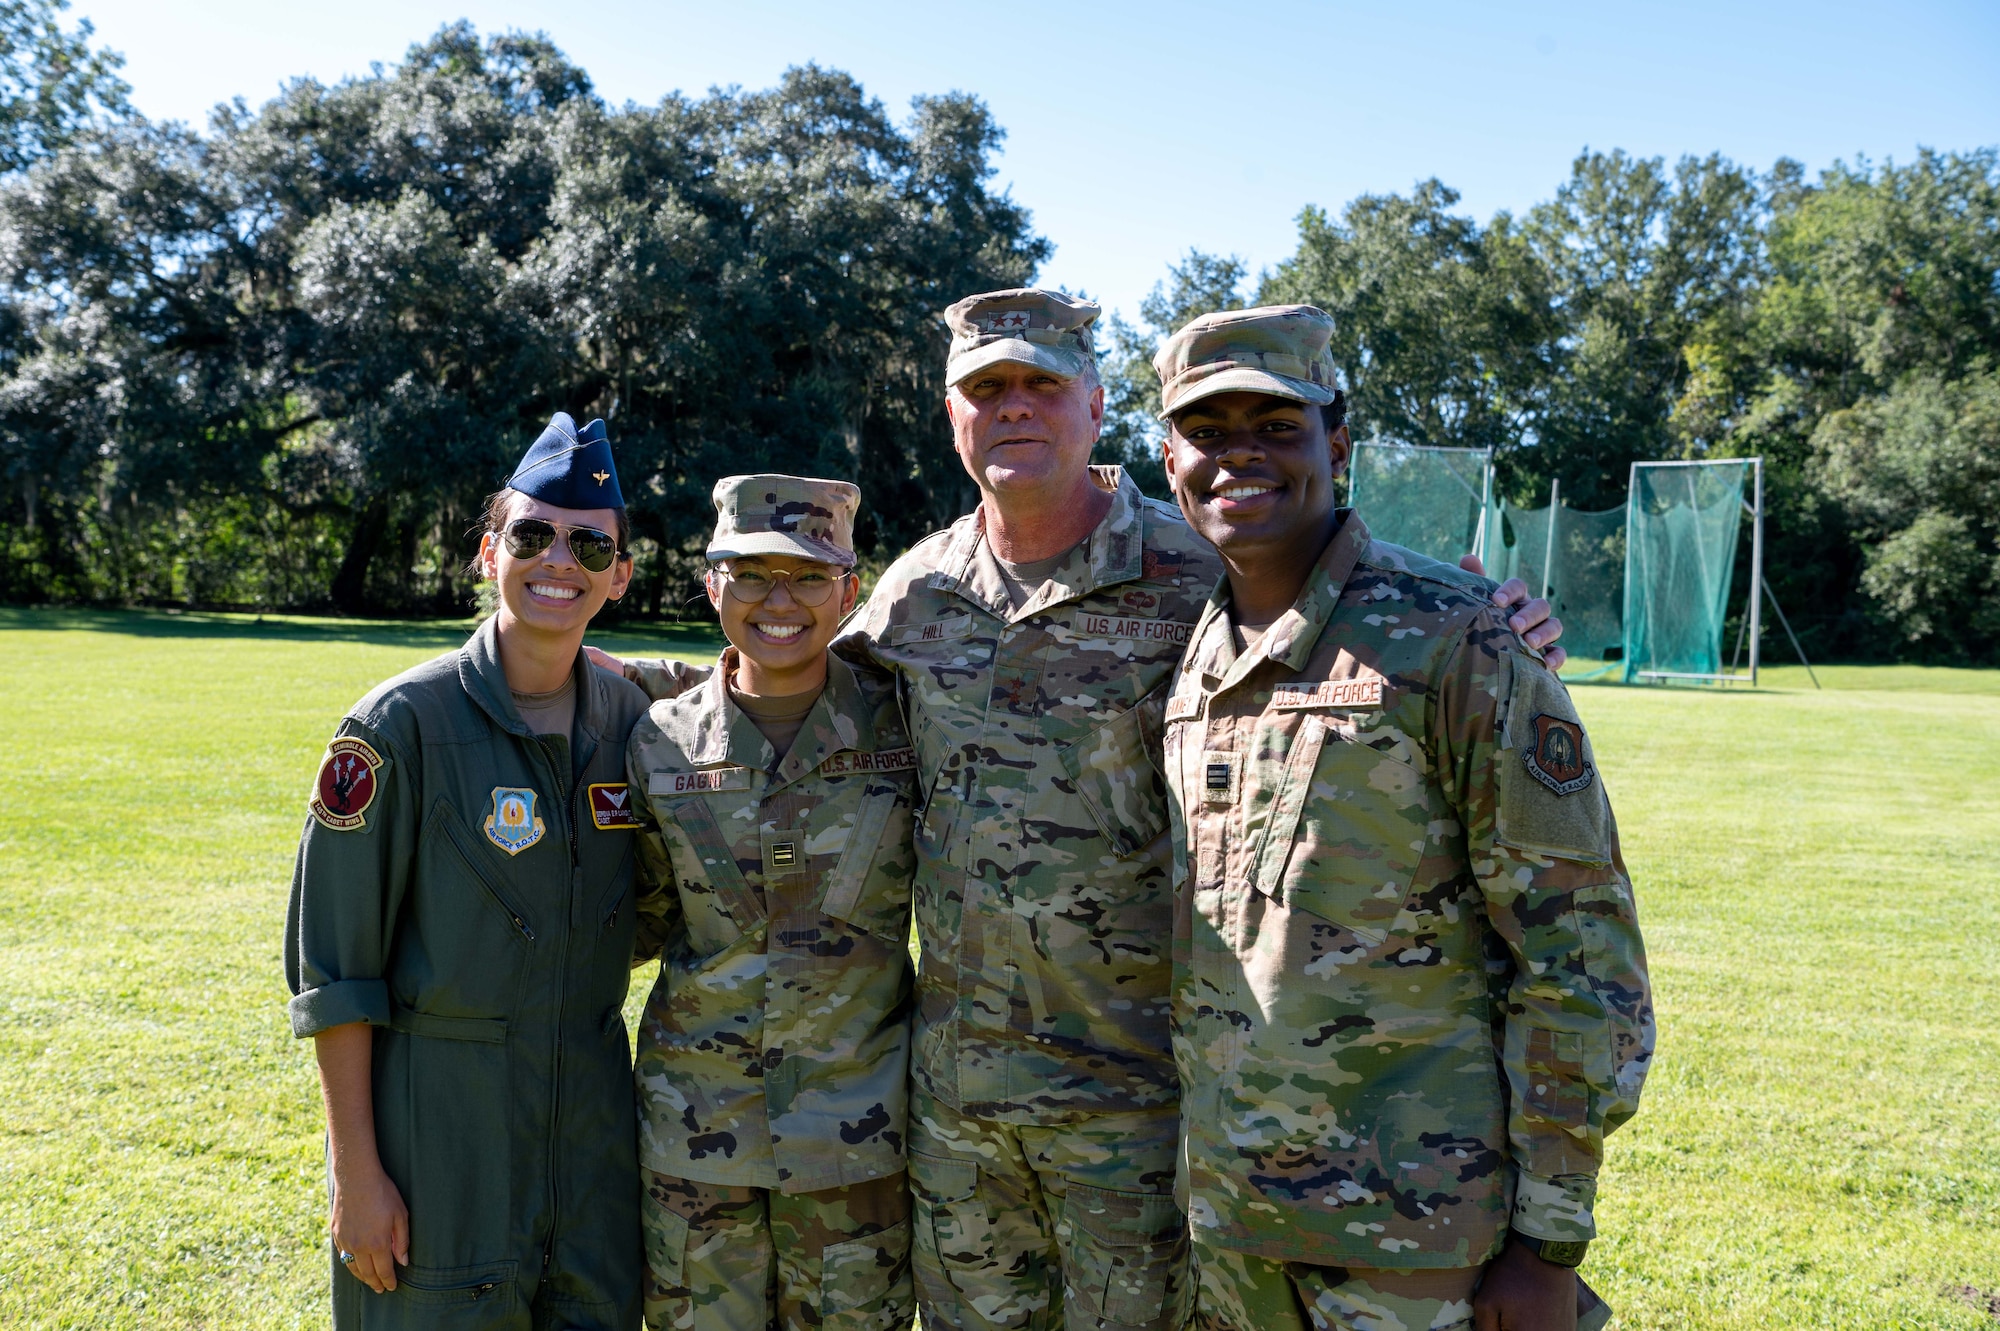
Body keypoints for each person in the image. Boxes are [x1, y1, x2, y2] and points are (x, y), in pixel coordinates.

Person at [603, 287, 1567, 1331]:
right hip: (959, 1117)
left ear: (1095, 404)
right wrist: (587, 675)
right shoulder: (921, 588)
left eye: (1040, 384)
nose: (1013, 406)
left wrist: (1492, 617)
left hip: (1139, 1105)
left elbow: (1355, 624)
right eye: (986, 387)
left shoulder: (1199, 565)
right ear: (951, 414)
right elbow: (787, 669)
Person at [1151, 305, 1653, 1331]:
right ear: (1168, 462)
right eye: (1207, 431)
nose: (1237, 455)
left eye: (1275, 425)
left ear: (1335, 444)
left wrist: (1547, 1242)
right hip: (1232, 1232)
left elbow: (1580, 957)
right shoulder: (1190, 661)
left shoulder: (1454, 640)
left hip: (1420, 1243)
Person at [284, 413, 652, 1328]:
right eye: (530, 535)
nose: (556, 559)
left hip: (593, 1143)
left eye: (587, 543)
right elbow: (337, 975)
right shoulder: (396, 727)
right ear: (489, 552)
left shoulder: (635, 721)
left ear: (620, 574)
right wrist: (356, 1173)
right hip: (442, 1139)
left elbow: (761, 674)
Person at [626, 475, 918, 1331]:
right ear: (712, 583)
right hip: (696, 1144)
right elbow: (641, 918)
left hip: (855, 1143)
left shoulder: (904, 726)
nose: (777, 600)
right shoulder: (659, 742)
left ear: (849, 590)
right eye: (749, 574)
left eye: (807, 575)